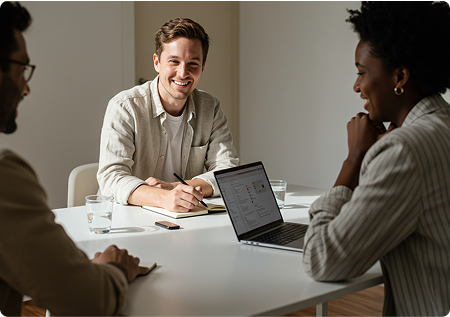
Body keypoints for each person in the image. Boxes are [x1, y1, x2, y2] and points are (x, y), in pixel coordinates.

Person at [0, 2, 150, 316]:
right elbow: (88, 300)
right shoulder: (5, 177)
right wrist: (112, 269)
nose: (26, 88)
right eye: (21, 68)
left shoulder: (210, 107)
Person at [302, 1, 450, 316]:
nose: (357, 86)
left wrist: (353, 161)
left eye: (361, 72)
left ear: (399, 77)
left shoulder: (403, 151)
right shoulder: (442, 125)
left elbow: (321, 259)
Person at [97, 18, 239, 212]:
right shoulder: (124, 107)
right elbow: (111, 178)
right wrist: (163, 197)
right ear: (157, 62)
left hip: (186, 220)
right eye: (174, 61)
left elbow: (228, 171)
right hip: (127, 221)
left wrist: (174, 188)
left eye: (193, 64)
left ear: (202, 68)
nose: (183, 73)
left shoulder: (210, 108)